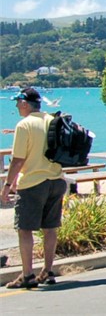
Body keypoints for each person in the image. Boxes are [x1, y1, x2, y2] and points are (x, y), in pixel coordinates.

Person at [2, 88, 66, 289]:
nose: (16, 106)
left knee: (24, 229)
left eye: (17, 102)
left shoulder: (24, 125)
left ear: (24, 103)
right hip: (56, 180)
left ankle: (28, 274)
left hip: (33, 183)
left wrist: (7, 186)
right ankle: (48, 271)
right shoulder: (52, 120)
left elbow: (18, 160)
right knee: (50, 228)